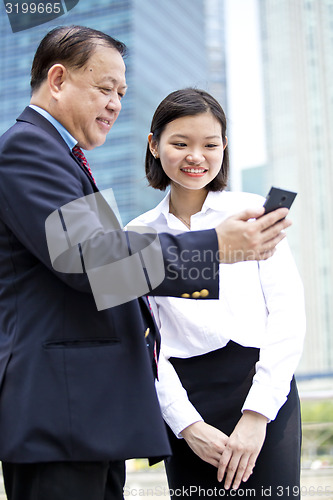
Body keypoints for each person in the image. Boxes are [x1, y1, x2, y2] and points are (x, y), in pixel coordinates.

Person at [0, 25, 291, 500]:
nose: (115, 103)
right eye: (104, 88)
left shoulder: (61, 157)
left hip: (85, 414)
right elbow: (92, 264)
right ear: (57, 80)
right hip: (61, 411)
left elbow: (108, 274)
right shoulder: (29, 149)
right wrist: (216, 247)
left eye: (121, 92)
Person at [129, 88, 306, 498]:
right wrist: (187, 425)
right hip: (184, 399)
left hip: (262, 390)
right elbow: (145, 345)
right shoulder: (136, 236)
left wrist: (258, 414)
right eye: (180, 143)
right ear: (154, 145)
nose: (197, 156)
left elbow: (287, 314)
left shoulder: (252, 213)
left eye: (210, 144)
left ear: (224, 147)